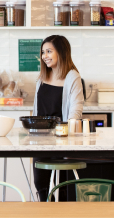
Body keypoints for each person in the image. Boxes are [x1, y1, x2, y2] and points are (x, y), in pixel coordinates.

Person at [32, 35, 84, 202]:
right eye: (43, 52)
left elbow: (76, 111)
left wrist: (65, 133)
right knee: (41, 184)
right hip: (40, 140)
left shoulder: (72, 77)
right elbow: (35, 110)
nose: (44, 56)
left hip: (61, 141)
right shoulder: (42, 78)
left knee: (61, 186)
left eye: (49, 51)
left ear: (61, 52)